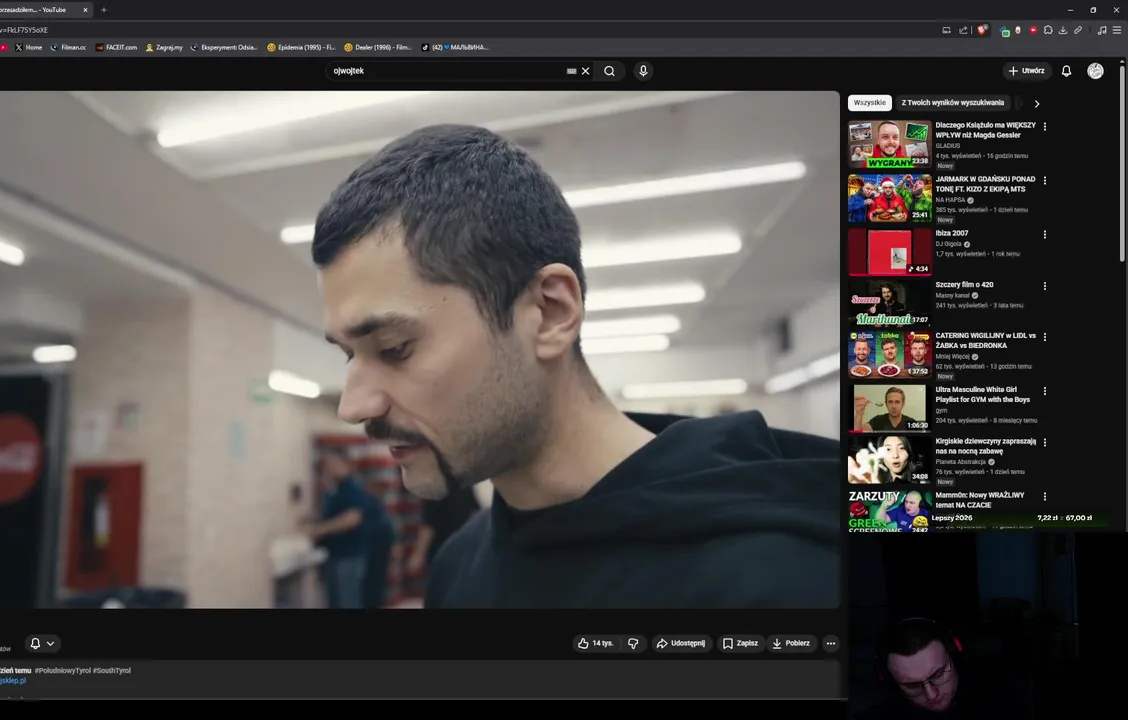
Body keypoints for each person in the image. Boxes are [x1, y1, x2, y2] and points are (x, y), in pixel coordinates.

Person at [310, 124, 839, 609]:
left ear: (549, 313)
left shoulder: (786, 582)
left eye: (395, 348)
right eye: (349, 355)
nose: (354, 407)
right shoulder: (457, 566)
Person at [855, 618, 1033, 718]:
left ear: (954, 656)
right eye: (912, 685)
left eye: (939, 674)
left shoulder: (1007, 699)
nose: (931, 695)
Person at [302, 450, 370, 609]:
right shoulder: (335, 491)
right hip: (334, 555)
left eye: (335, 464)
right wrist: (312, 520)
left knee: (347, 601)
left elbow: (352, 519)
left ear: (346, 465)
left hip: (348, 557)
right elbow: (332, 515)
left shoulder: (353, 489)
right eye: (328, 465)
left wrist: (321, 529)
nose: (331, 468)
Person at [407, 487, 482, 583]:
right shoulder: (464, 487)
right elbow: (476, 513)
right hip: (464, 553)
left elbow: (429, 527)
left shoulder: (435, 490)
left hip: (442, 553)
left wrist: (418, 556)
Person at [361, 478, 398, 609]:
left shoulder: (369, 509)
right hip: (377, 554)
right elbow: (391, 534)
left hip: (371, 554)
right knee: (376, 588)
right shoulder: (381, 512)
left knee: (370, 589)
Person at [855, 387, 920, 432]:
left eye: (897, 402)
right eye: (890, 402)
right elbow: (858, 433)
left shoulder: (911, 422)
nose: (893, 406)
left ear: (903, 404)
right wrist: (859, 415)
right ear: (886, 404)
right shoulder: (878, 420)